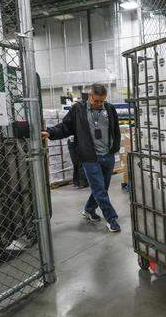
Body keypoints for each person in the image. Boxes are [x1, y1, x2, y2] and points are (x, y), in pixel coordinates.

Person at [42, 84, 122, 232]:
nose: (99, 104)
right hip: (89, 157)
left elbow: (115, 130)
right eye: (96, 101)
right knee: (99, 189)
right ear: (90, 96)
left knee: (102, 188)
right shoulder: (78, 109)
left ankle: (89, 209)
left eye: (102, 101)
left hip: (108, 155)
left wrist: (114, 148)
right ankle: (111, 219)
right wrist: (50, 132)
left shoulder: (110, 109)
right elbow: (65, 127)